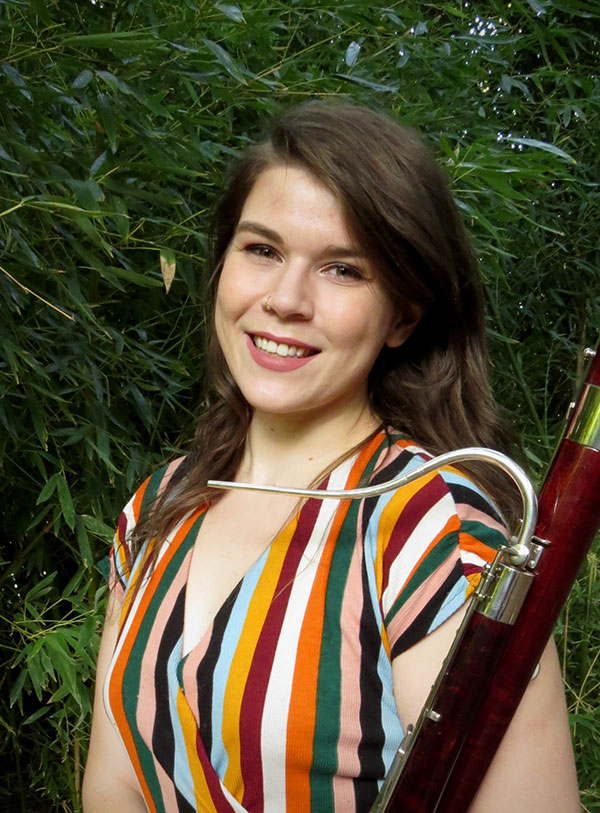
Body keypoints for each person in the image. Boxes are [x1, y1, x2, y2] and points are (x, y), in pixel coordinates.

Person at [82, 103, 579, 812]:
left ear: (403, 315)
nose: (285, 299)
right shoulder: (156, 508)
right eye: (262, 250)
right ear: (222, 265)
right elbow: (115, 785)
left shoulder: (436, 533)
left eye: (342, 269)